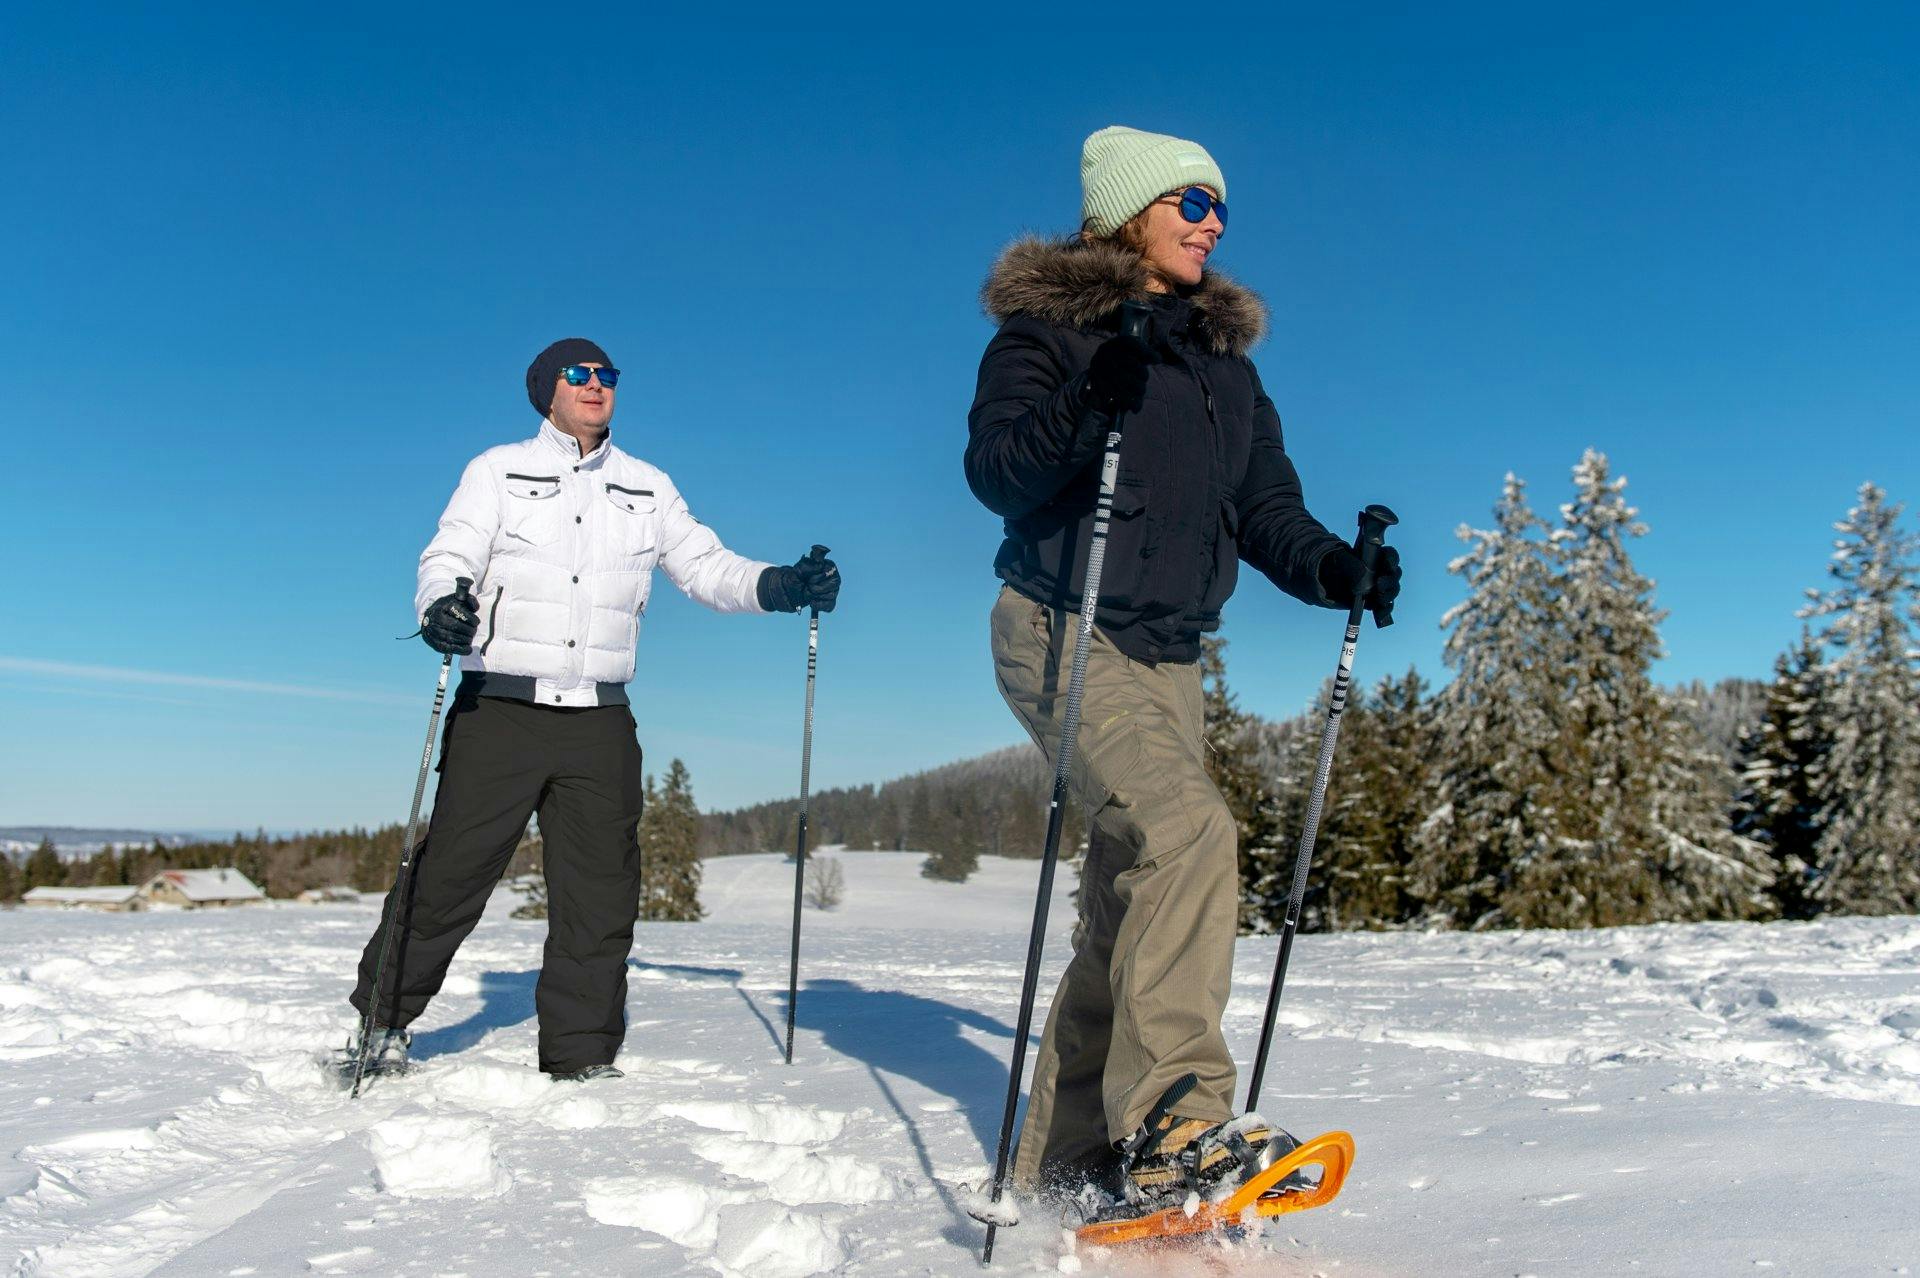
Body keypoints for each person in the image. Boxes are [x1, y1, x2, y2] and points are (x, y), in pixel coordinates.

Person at [964, 127, 1401, 1206]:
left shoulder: (1226, 367)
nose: (1212, 222)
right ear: (1129, 210)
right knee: (1188, 830)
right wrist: (1085, 402)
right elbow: (997, 474)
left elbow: (1265, 509)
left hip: (1168, 658)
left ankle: (1066, 1163)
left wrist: (1336, 568)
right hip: (1061, 628)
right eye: (1191, 202)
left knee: (1131, 904)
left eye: (1219, 208)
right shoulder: (1048, 331)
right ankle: (1174, 1127)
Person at [346, 337, 839, 1082]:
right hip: (502, 709)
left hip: (600, 719)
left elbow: (705, 567)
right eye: (579, 374)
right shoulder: (498, 470)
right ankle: (382, 1022)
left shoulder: (646, 486)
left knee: (600, 893)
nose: (596, 385)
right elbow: (449, 553)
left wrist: (780, 585)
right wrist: (441, 606)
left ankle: (580, 1056)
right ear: (547, 389)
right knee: (449, 875)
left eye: (607, 375)